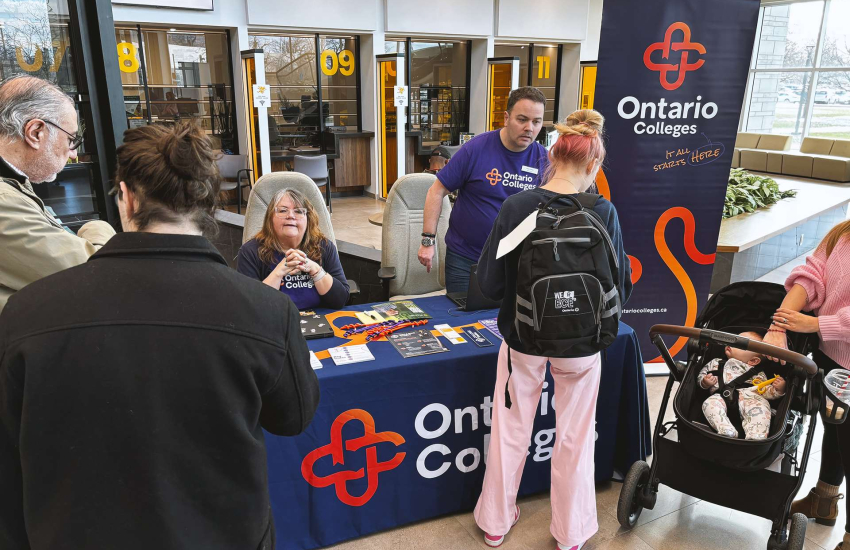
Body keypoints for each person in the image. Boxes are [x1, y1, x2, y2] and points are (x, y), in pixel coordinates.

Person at [0, 122, 320, 550]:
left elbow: (10, 459)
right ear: (209, 204)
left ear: (126, 198)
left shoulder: (26, 311)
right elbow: (293, 417)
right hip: (224, 533)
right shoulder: (264, 310)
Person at [473, 110, 631, 550]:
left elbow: (487, 284)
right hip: (583, 345)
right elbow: (623, 287)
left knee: (510, 429)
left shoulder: (517, 207)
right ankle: (570, 533)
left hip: (523, 341)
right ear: (594, 166)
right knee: (575, 438)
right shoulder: (604, 211)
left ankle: (495, 522)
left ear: (552, 156)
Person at [417, 87, 550, 294]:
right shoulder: (475, 149)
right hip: (466, 259)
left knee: (502, 324)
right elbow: (436, 191)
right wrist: (427, 240)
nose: (529, 128)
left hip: (514, 262)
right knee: (461, 322)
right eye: (522, 119)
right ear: (506, 118)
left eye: (536, 122)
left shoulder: (544, 159)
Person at [0, 75, 115, 313]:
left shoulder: (13, 186)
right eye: (71, 139)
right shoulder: (3, 200)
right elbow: (99, 277)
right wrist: (97, 227)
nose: (73, 154)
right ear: (35, 132)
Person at [770, 220, 850, 548]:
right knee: (833, 427)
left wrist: (816, 323)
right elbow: (812, 275)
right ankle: (824, 501)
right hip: (831, 354)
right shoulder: (841, 234)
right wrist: (779, 324)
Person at [237, 188, 349, 310]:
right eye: (283, 210)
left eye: (299, 211)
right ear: (270, 218)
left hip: (320, 323)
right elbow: (248, 307)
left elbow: (340, 300)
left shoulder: (324, 246)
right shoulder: (250, 251)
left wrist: (316, 271)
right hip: (274, 324)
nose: (290, 216)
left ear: (308, 219)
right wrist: (278, 273)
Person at [697, 332, 785, 440]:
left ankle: (756, 435)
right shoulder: (716, 362)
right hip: (720, 396)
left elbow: (764, 391)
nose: (732, 343)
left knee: (761, 408)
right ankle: (726, 430)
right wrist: (704, 382)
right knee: (709, 404)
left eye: (740, 345)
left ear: (753, 361)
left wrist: (778, 389)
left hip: (750, 399)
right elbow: (702, 374)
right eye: (734, 339)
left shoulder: (756, 373)